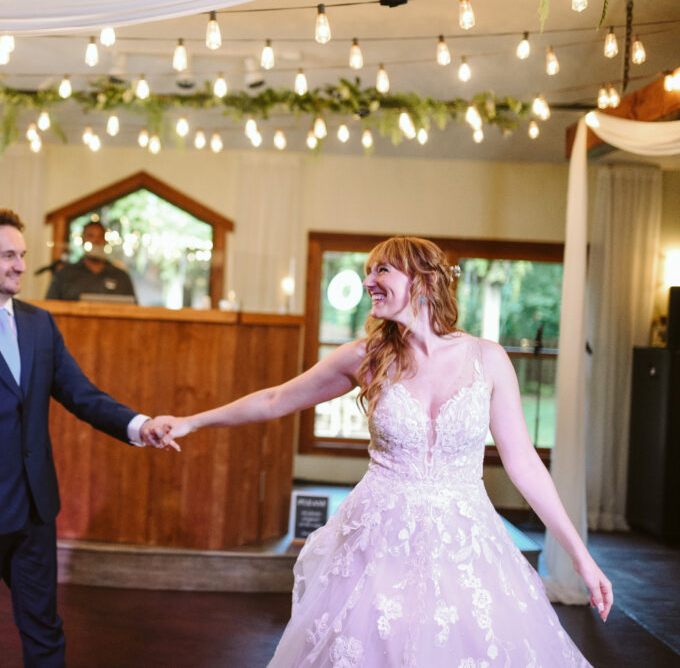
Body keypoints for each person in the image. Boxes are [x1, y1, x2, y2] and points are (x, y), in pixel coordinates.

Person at [156, 236, 612, 666]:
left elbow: (525, 463)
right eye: (367, 271)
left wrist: (579, 556)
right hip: (378, 544)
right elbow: (275, 399)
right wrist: (192, 421)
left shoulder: (487, 358)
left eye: (383, 270)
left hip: (465, 543)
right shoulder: (365, 358)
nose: (368, 281)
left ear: (426, 280)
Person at [0, 208, 176, 668]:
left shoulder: (39, 325)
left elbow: (81, 395)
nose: (19, 265)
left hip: (35, 511)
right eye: (8, 255)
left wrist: (139, 424)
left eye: (22, 255)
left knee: (45, 629)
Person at [45, 220, 137, 301]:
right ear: (83, 240)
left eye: (100, 236)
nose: (96, 241)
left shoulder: (121, 277)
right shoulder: (64, 275)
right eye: (90, 236)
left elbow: (134, 311)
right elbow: (50, 308)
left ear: (105, 241)